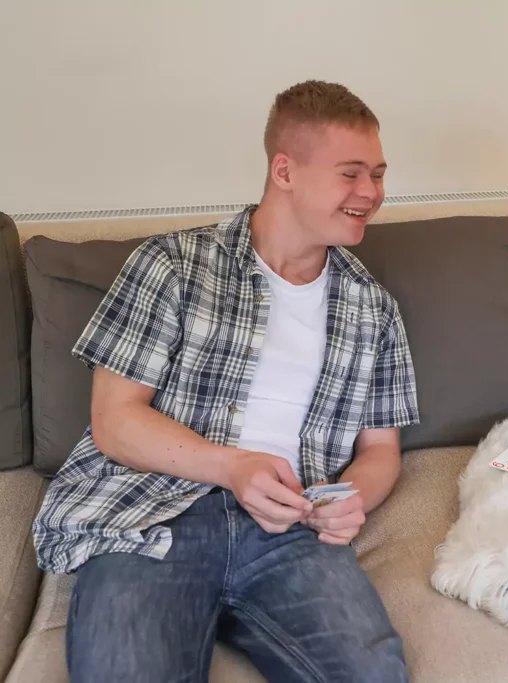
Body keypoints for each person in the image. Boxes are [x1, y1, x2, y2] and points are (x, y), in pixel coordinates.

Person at [32, 80, 419, 683]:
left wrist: (351, 499)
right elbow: (115, 420)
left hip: (291, 530)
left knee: (372, 674)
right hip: (153, 513)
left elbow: (381, 451)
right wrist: (234, 467)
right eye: (350, 173)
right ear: (284, 170)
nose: (370, 193)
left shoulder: (373, 306)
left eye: (378, 173)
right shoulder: (174, 264)